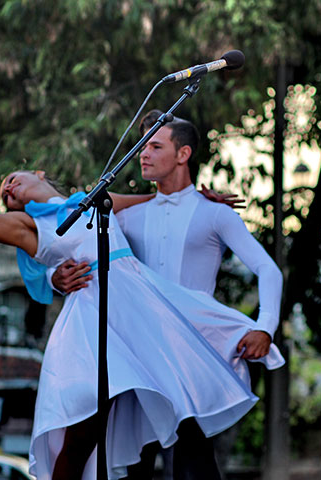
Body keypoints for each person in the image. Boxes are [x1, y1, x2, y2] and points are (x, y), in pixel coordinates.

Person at [0, 170, 284, 480]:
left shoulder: (93, 201)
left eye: (11, 180)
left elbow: (159, 203)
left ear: (38, 172)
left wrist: (202, 198)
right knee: (86, 424)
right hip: (91, 323)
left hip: (138, 310)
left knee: (168, 397)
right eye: (3, 195)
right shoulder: (28, 225)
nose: (7, 190)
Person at [49, 110, 283, 479]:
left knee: (194, 462)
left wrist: (264, 327)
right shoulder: (125, 216)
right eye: (141, 146)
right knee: (132, 463)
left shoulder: (214, 213)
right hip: (140, 353)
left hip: (191, 353)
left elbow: (268, 269)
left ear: (183, 154)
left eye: (154, 146)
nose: (143, 154)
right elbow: (71, 246)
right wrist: (53, 276)